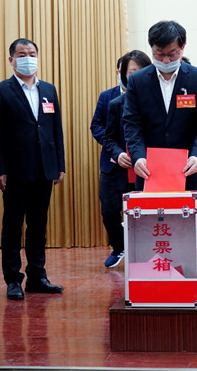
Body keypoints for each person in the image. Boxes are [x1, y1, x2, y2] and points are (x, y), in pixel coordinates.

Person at [0, 38, 65, 300]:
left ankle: (37, 276)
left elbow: (55, 129)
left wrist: (60, 164)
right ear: (11, 60)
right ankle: (12, 279)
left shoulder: (49, 89)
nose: (27, 58)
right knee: (13, 226)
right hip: (15, 171)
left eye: (31, 53)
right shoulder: (0, 91)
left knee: (38, 226)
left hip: (44, 168)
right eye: (21, 54)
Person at [122, 20, 197, 194]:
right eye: (159, 54)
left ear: (183, 47)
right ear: (152, 48)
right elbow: (132, 123)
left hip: (190, 169)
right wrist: (138, 156)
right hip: (150, 171)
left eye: (172, 54)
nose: (166, 60)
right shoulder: (137, 81)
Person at [100, 50, 151, 268]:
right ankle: (119, 247)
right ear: (124, 75)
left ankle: (145, 252)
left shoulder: (156, 104)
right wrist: (118, 153)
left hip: (146, 168)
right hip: (117, 166)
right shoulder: (115, 103)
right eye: (132, 72)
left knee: (144, 212)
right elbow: (108, 136)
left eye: (141, 71)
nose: (136, 76)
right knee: (109, 210)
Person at [91, 55, 127, 267]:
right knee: (109, 210)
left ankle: (141, 250)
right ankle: (119, 246)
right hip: (112, 163)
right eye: (124, 71)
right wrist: (114, 148)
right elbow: (96, 125)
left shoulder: (146, 97)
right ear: (118, 73)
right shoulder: (107, 97)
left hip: (137, 166)